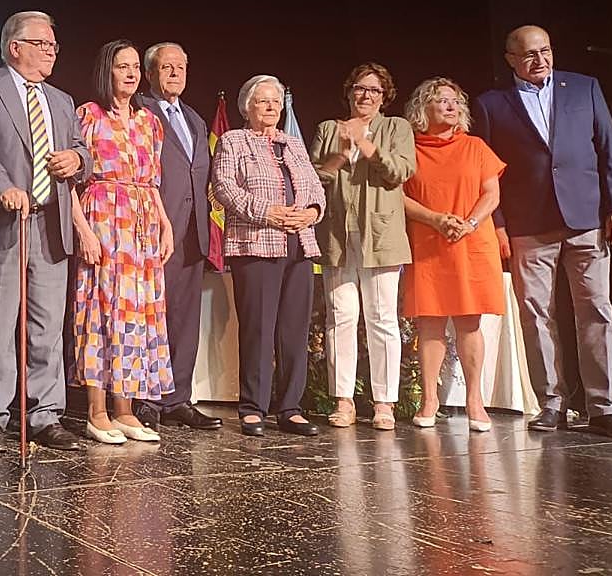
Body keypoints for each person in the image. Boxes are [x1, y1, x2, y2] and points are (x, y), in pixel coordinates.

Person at [473, 26, 612, 438]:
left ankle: (603, 406)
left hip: (586, 218)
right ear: (510, 59)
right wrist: (498, 225)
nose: (540, 60)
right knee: (536, 314)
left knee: (596, 310)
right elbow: (485, 173)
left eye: (546, 51)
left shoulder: (584, 88)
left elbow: (609, 148)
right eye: (529, 55)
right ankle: (552, 403)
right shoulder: (491, 104)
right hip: (528, 223)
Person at [0, 10, 90, 453]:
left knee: (48, 326)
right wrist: (1, 188)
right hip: (3, 220)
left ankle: (45, 415)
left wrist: (76, 160)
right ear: (16, 47)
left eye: (54, 45)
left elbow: (81, 150)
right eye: (44, 44)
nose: (52, 51)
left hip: (50, 225)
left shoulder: (62, 100)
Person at [69, 40, 175, 444]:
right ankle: (97, 412)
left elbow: (153, 182)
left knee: (135, 314)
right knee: (100, 310)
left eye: (135, 67)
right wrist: (83, 229)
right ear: (106, 71)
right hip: (103, 218)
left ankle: (125, 410)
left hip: (143, 223)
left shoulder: (150, 122)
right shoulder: (87, 116)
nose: (131, 73)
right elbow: (70, 183)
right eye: (122, 66)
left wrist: (165, 225)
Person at [211, 75, 325, 437]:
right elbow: (224, 187)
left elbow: (315, 188)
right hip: (256, 244)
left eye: (276, 101)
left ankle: (290, 407)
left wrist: (311, 212)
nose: (272, 107)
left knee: (294, 329)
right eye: (263, 101)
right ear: (248, 107)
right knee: (259, 327)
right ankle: (253, 407)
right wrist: (268, 212)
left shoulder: (293, 143)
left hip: (299, 244)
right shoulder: (233, 141)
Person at [310, 63, 415, 431]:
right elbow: (314, 177)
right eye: (359, 88)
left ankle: (384, 403)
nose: (365, 95)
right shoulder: (328, 129)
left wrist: (368, 146)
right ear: (349, 92)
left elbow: (401, 172)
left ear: (384, 96)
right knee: (340, 318)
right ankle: (344, 400)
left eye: (374, 90)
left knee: (383, 319)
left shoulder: (396, 128)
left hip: (381, 238)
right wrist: (342, 151)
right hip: (338, 237)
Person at [402, 77, 505, 432]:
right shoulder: (410, 149)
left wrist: (470, 222)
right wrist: (434, 219)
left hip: (471, 242)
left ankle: (474, 399)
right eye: (442, 101)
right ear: (422, 109)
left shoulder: (476, 146)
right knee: (429, 321)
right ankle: (430, 398)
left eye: (455, 102)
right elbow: (398, 197)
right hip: (429, 242)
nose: (451, 106)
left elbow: (491, 194)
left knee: (468, 321)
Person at [134, 42, 222, 431]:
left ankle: (177, 398)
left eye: (180, 67)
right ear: (150, 73)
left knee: (185, 321)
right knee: (150, 317)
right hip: (154, 230)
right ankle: (145, 399)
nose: (175, 74)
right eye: (166, 67)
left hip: (192, 233)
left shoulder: (195, 119)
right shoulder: (139, 111)